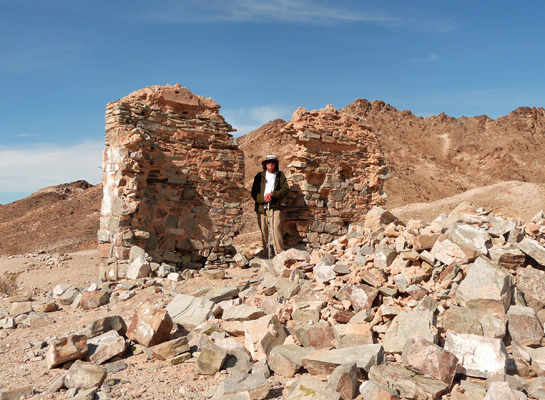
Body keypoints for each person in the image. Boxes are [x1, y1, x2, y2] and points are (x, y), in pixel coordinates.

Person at [251, 155, 289, 257]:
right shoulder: (259, 176)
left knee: (276, 227)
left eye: (272, 162)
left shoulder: (280, 176)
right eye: (268, 162)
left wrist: (273, 194)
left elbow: (285, 190)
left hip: (275, 206)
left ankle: (280, 254)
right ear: (265, 164)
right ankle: (267, 254)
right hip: (261, 207)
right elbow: (254, 193)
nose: (270, 164)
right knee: (264, 231)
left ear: (276, 164)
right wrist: (263, 199)